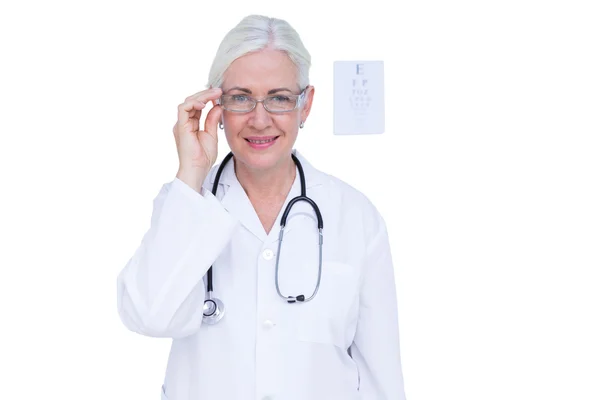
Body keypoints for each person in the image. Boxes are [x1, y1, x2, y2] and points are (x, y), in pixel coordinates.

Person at [117, 14, 407, 400]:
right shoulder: (186, 204)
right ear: (215, 107)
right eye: (240, 98)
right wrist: (190, 173)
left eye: (279, 98)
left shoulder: (355, 216)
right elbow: (148, 316)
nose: (259, 119)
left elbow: (380, 378)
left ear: (305, 106)